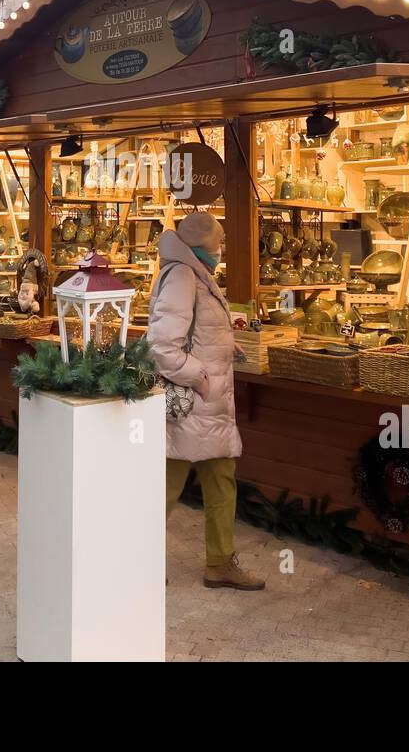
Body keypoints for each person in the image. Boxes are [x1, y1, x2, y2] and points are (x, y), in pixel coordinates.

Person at [146, 211, 265, 591]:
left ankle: (220, 563)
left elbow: (200, 334)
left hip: (209, 407)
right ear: (205, 246)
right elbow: (163, 347)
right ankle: (138, 562)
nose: (220, 252)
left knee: (221, 483)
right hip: (190, 405)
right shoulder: (183, 276)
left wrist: (229, 350)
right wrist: (199, 375)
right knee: (164, 490)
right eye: (218, 246)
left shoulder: (195, 273)